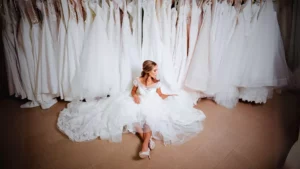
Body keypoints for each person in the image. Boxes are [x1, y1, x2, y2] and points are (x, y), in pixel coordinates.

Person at [57, 60, 206, 159]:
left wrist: (171, 95)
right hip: (138, 101)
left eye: (157, 70)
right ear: (147, 71)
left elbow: (161, 95)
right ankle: (147, 141)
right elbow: (133, 91)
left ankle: (143, 147)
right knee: (132, 119)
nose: (157, 72)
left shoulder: (157, 83)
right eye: (154, 70)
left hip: (152, 103)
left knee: (147, 121)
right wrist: (134, 96)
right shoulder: (138, 80)